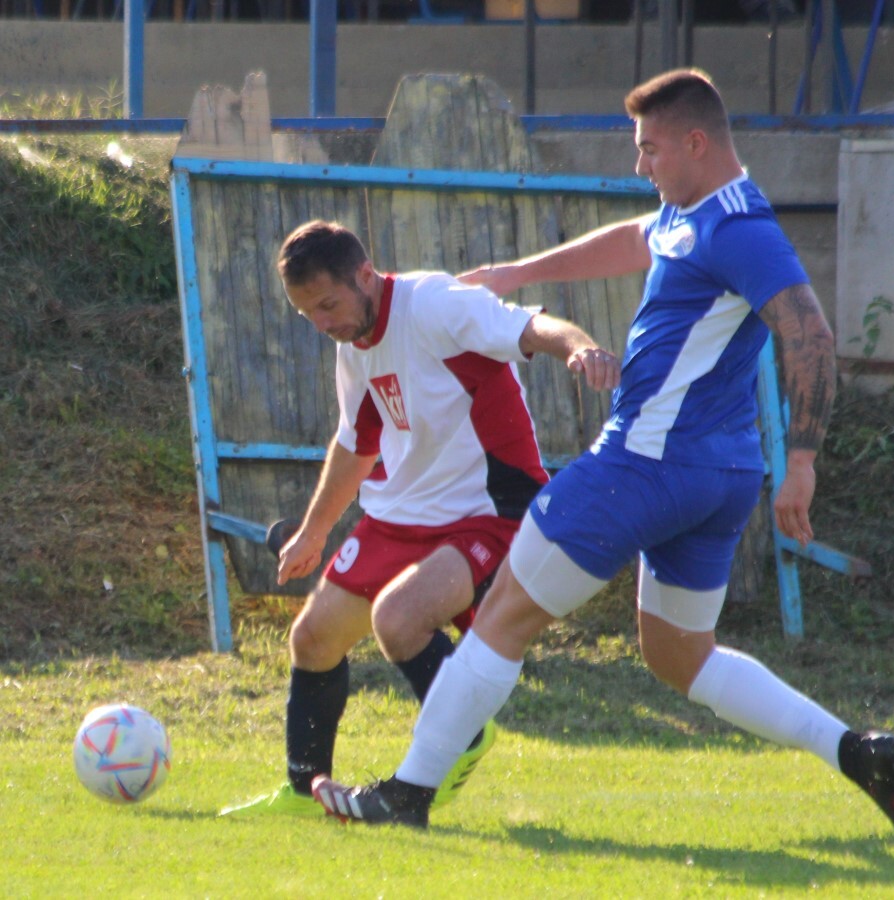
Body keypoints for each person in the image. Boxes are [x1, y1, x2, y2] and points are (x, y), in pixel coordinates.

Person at [312, 69, 894, 832]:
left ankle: (404, 796)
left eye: (650, 149)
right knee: (682, 657)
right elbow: (638, 238)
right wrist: (523, 271)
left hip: (643, 464)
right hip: (719, 477)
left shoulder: (735, 230)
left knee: (502, 615)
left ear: (695, 142)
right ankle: (854, 751)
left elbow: (809, 334)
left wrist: (802, 461)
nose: (641, 165)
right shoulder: (695, 211)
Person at [221, 219, 620, 816]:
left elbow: (529, 326)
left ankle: (461, 734)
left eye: (328, 304)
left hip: (485, 511)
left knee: (399, 619)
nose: (324, 324)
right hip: (399, 516)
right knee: (311, 638)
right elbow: (356, 442)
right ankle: (305, 794)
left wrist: (579, 345)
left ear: (364, 276)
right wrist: (314, 530)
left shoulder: (433, 304)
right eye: (309, 316)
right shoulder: (351, 345)